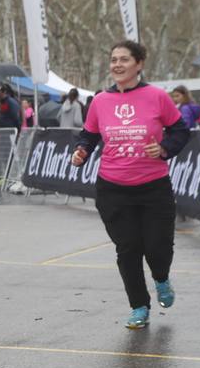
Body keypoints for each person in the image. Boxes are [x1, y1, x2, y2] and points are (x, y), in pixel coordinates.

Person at [71, 39, 190, 330]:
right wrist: (82, 151)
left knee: (158, 247)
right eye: (113, 59)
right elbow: (89, 135)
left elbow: (180, 131)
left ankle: (161, 278)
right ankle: (139, 306)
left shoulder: (157, 97)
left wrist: (163, 149)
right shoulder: (100, 100)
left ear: (139, 64)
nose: (117, 65)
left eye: (124, 59)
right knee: (128, 248)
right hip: (113, 187)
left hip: (153, 186)